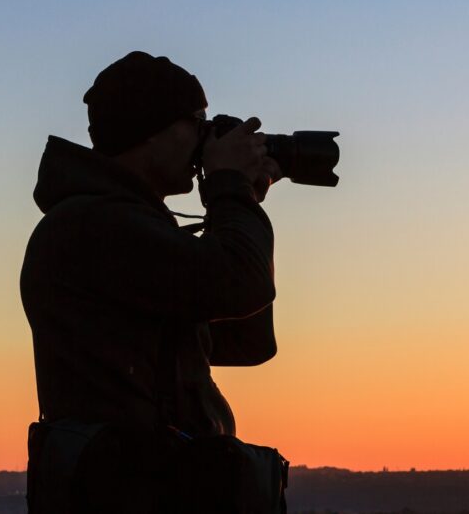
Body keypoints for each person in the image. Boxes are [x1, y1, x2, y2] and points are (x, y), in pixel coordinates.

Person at [21, 51, 283, 512]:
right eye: (198, 121)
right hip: (131, 491)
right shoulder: (95, 226)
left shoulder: (131, 228)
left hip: (155, 484)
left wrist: (240, 201)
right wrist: (228, 191)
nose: (207, 137)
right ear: (150, 129)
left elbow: (248, 340)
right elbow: (241, 284)